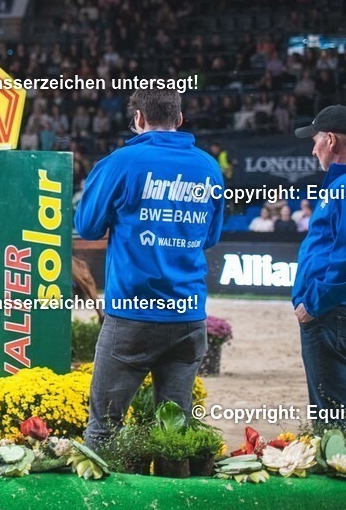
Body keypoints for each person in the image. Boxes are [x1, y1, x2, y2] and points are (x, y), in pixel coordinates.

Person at [75, 89, 224, 450]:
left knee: (104, 430)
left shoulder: (122, 161)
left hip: (132, 315)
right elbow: (209, 237)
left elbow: (88, 226)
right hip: (188, 315)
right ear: (180, 118)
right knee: (174, 435)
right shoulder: (208, 166)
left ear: (138, 119)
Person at [292, 105, 346, 416]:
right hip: (345, 313)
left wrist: (314, 303)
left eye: (315, 139)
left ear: (331, 140)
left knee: (333, 420)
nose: (312, 146)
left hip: (335, 315)